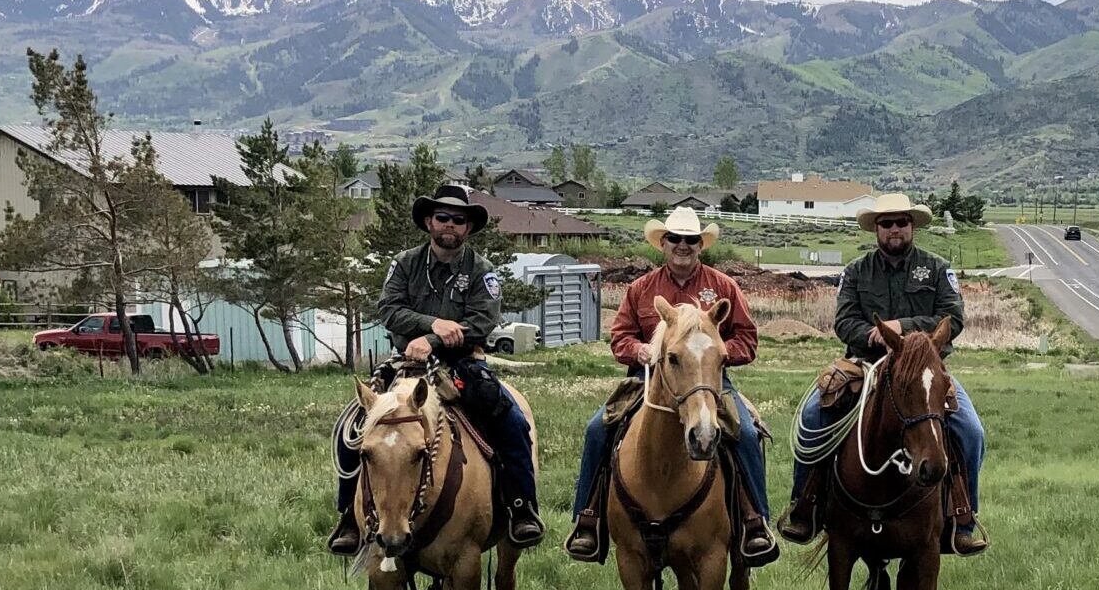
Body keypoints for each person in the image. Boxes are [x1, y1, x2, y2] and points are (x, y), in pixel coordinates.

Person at [327, 182, 544, 555]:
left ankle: (521, 508)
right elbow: (388, 308)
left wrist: (435, 340)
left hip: (463, 363)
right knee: (352, 430)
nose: (450, 225)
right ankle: (349, 514)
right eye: (442, 217)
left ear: (468, 228)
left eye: (458, 220)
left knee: (510, 421)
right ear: (429, 221)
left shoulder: (482, 270)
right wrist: (432, 324)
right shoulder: (405, 263)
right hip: (406, 364)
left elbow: (483, 321)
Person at [778, 192, 987, 555]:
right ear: (876, 228)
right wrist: (872, 335)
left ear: (912, 226)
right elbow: (843, 321)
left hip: (924, 370)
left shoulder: (937, 268)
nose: (895, 229)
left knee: (970, 430)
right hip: (865, 364)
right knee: (813, 416)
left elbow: (952, 318)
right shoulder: (856, 271)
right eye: (887, 223)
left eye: (901, 222)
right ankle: (805, 506)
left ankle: (962, 518)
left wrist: (900, 328)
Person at [568, 208, 778, 565]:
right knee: (596, 430)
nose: (683, 246)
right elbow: (620, 337)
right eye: (676, 239)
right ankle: (588, 519)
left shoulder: (723, 286)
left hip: (710, 382)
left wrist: (719, 355)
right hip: (647, 380)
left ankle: (753, 520)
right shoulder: (641, 289)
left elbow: (747, 338)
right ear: (662, 244)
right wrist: (641, 350)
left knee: (743, 434)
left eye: (691, 240)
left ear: (701, 245)